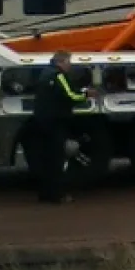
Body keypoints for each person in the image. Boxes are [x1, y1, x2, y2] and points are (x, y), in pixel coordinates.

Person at [31, 50, 96, 204]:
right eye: (68, 62)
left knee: (46, 159)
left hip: (42, 120)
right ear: (61, 62)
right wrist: (87, 95)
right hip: (56, 121)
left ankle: (45, 194)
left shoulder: (45, 74)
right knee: (57, 160)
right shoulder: (58, 75)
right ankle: (57, 195)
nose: (70, 65)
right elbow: (70, 95)